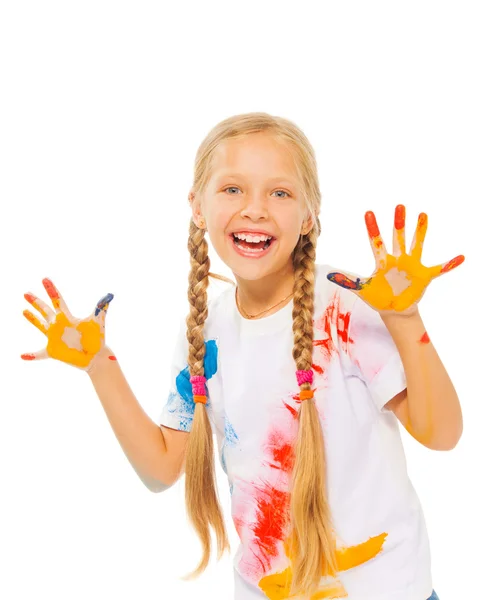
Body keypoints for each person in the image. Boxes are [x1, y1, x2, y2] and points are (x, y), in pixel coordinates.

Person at [21, 112, 464, 600]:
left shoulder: (345, 305)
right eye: (232, 189)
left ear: (309, 214)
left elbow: (441, 434)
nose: (255, 209)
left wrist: (405, 321)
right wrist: (98, 365)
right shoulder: (205, 335)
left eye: (279, 192)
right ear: (197, 206)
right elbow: (161, 468)